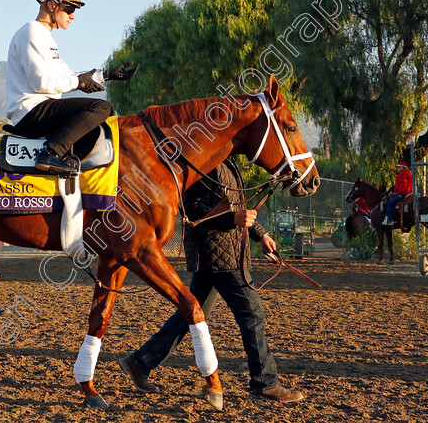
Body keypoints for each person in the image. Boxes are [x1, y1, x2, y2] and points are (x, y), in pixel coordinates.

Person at [118, 157, 304, 403]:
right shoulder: (204, 161)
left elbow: (236, 206)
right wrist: (232, 220)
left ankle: (140, 362)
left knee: (189, 315)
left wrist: (261, 234)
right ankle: (265, 382)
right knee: (253, 313)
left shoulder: (225, 161)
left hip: (221, 255)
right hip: (219, 256)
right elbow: (193, 209)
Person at [5, 0, 139, 174]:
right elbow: (41, 83)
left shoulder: (45, 36)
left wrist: (106, 75)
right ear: (51, 5)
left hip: (41, 109)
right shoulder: (32, 31)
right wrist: (79, 83)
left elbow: (67, 75)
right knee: (102, 107)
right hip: (30, 111)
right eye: (69, 9)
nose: (73, 16)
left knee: (93, 129)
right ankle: (50, 153)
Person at [383, 162, 412, 226]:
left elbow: (403, 185)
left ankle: (390, 220)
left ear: (402, 167)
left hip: (402, 193)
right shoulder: (408, 173)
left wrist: (396, 190)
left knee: (390, 204)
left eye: (398, 167)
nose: (397, 169)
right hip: (408, 192)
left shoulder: (402, 173)